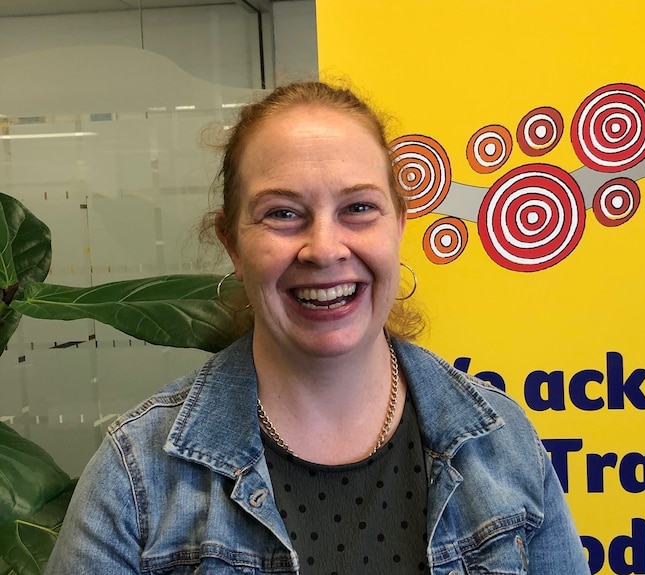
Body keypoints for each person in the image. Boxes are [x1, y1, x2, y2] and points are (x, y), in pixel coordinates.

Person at [45, 81, 592, 574]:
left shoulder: (500, 443)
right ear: (232, 242)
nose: (325, 249)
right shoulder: (138, 474)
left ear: (399, 225)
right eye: (282, 213)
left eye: (358, 207)